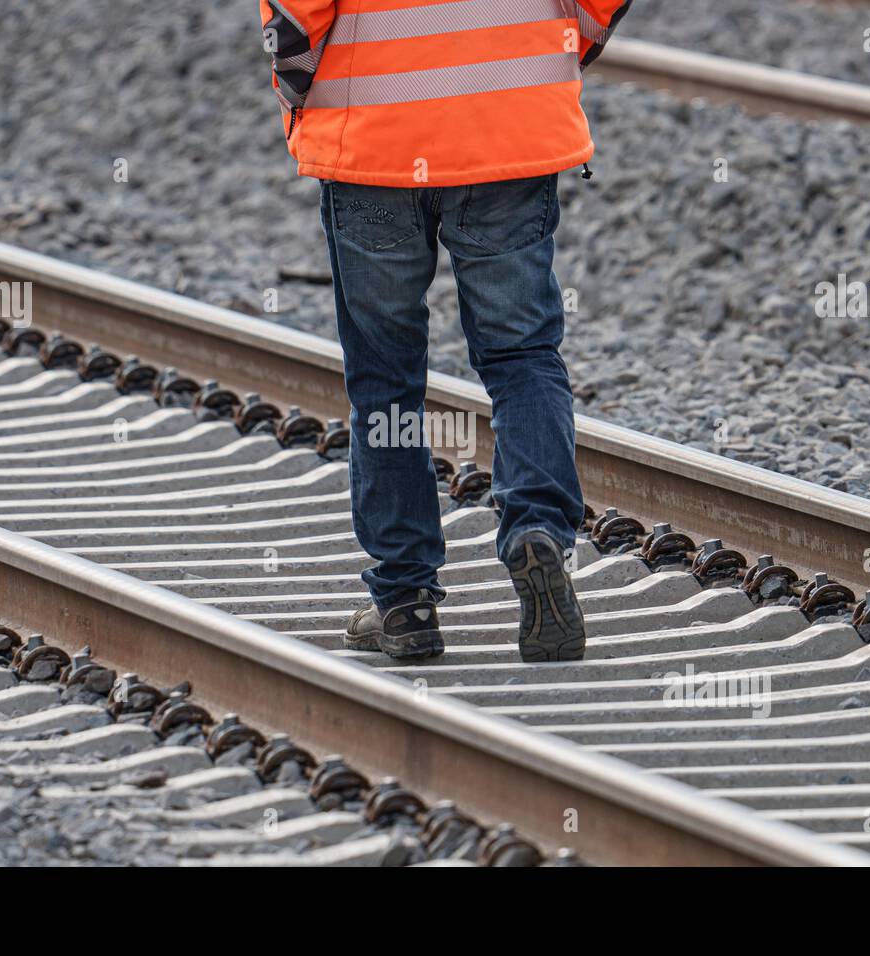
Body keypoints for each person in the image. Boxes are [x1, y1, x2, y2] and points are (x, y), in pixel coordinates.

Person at [259, 0, 633, 663]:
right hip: (512, 127)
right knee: (522, 353)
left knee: (385, 372)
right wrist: (559, 52)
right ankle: (537, 531)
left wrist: (296, 88)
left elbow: (294, 14)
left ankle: (403, 600)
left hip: (372, 136)